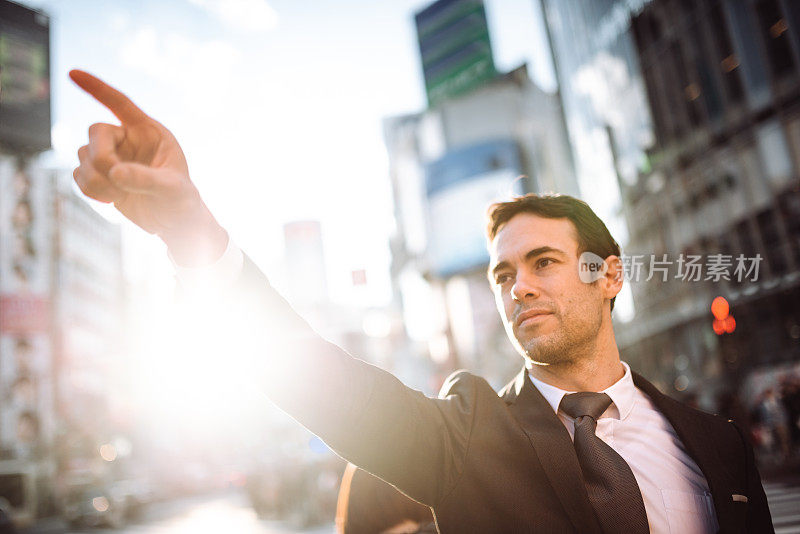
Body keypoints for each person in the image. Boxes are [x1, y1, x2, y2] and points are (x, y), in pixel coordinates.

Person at [69, 70, 773, 533]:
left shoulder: (717, 445)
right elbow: (318, 381)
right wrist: (192, 233)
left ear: (609, 276)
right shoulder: (467, 436)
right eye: (502, 275)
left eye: (544, 262)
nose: (518, 285)